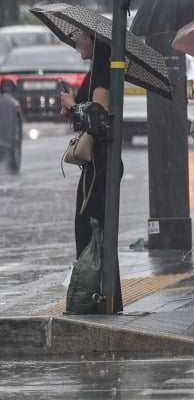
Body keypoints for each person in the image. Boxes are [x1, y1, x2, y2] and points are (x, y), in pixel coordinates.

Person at [58, 32, 114, 264]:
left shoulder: (102, 75)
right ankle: (96, 291)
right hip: (95, 163)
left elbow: (99, 122)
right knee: (88, 231)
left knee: (90, 231)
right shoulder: (94, 73)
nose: (78, 41)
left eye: (82, 37)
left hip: (101, 164)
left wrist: (73, 106)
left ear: (95, 42)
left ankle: (95, 292)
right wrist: (71, 111)